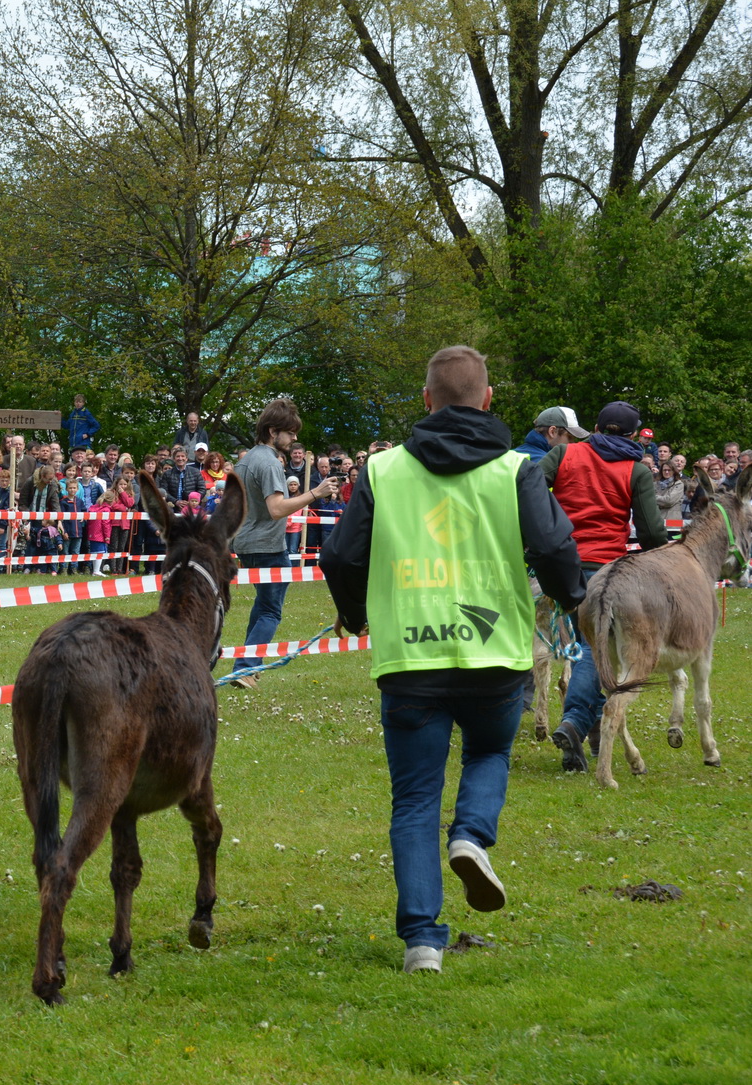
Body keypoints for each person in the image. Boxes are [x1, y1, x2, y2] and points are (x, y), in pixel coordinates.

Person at [320, 345, 585, 974]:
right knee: (489, 754)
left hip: (411, 658)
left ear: (426, 399)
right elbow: (555, 547)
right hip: (495, 657)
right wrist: (571, 597)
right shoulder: (518, 470)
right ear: (488, 399)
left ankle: (422, 942)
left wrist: (354, 613)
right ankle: (470, 836)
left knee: (414, 800)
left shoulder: (382, 469)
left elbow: (341, 556)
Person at [543, 401, 669, 772]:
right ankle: (575, 722)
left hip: (559, 566)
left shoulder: (563, 454)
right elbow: (650, 532)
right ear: (635, 435)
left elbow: (527, 489)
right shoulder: (635, 470)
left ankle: (590, 740)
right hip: (604, 570)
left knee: (585, 651)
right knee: (595, 649)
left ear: (596, 427)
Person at [228, 398, 342, 687]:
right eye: (290, 432)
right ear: (272, 431)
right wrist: (315, 493)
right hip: (268, 546)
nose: (294, 439)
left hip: (246, 543)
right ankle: (245, 668)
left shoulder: (245, 461)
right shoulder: (269, 463)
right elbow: (277, 509)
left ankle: (246, 664)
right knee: (270, 611)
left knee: (263, 605)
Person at [516, 405, 588, 460]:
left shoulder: (514, 455)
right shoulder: (545, 465)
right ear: (552, 432)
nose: (573, 443)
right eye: (569, 437)